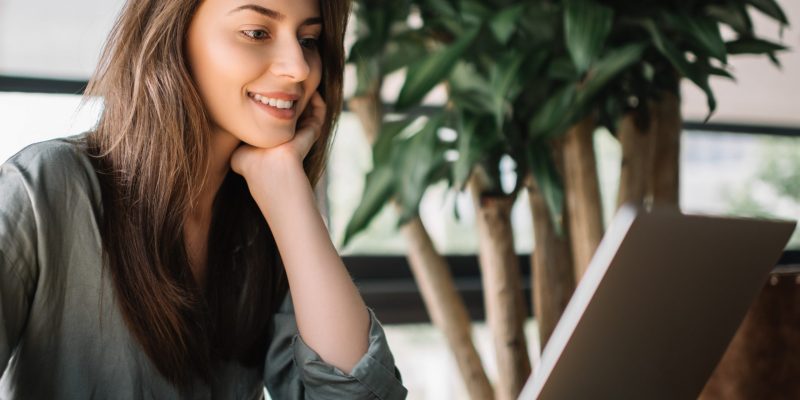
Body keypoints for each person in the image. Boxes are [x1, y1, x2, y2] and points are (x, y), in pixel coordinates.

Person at [0, 0, 407, 398]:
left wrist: (287, 190)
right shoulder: (42, 187)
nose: (299, 68)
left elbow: (359, 394)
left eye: (309, 40)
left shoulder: (267, 222)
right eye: (256, 32)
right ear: (172, 36)